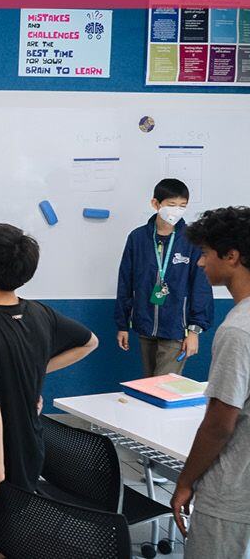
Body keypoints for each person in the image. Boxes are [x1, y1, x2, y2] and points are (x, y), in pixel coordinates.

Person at [0, 224, 98, 558]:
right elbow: (90, 341)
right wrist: (32, 370)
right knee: (11, 541)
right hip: (27, 452)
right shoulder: (40, 313)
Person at [170, 207, 250, 558]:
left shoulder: (237, 330)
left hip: (231, 489)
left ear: (231, 256)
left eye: (204, 253)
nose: (200, 264)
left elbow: (220, 423)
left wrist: (185, 482)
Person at [115, 178, 213, 377]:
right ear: (155, 204)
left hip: (177, 328)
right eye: (171, 205)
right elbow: (125, 281)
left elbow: (201, 286)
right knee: (149, 386)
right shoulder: (138, 238)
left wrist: (194, 331)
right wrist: (123, 325)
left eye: (182, 206)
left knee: (161, 387)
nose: (176, 210)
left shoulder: (193, 240)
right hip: (145, 324)